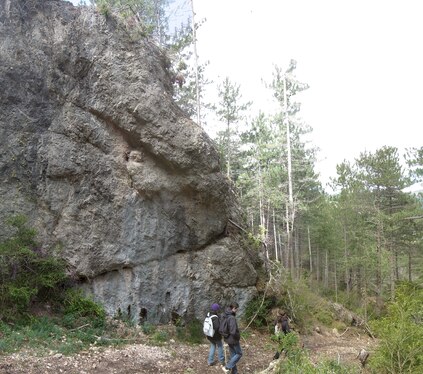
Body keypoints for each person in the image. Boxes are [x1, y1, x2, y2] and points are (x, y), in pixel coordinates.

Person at [222, 302, 242, 374]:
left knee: (233, 355)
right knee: (239, 354)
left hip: (227, 338)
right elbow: (233, 331)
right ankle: (227, 367)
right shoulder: (231, 318)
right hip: (233, 339)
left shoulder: (225, 314)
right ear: (234, 308)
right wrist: (238, 336)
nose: (237, 310)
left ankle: (234, 372)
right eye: (237, 309)